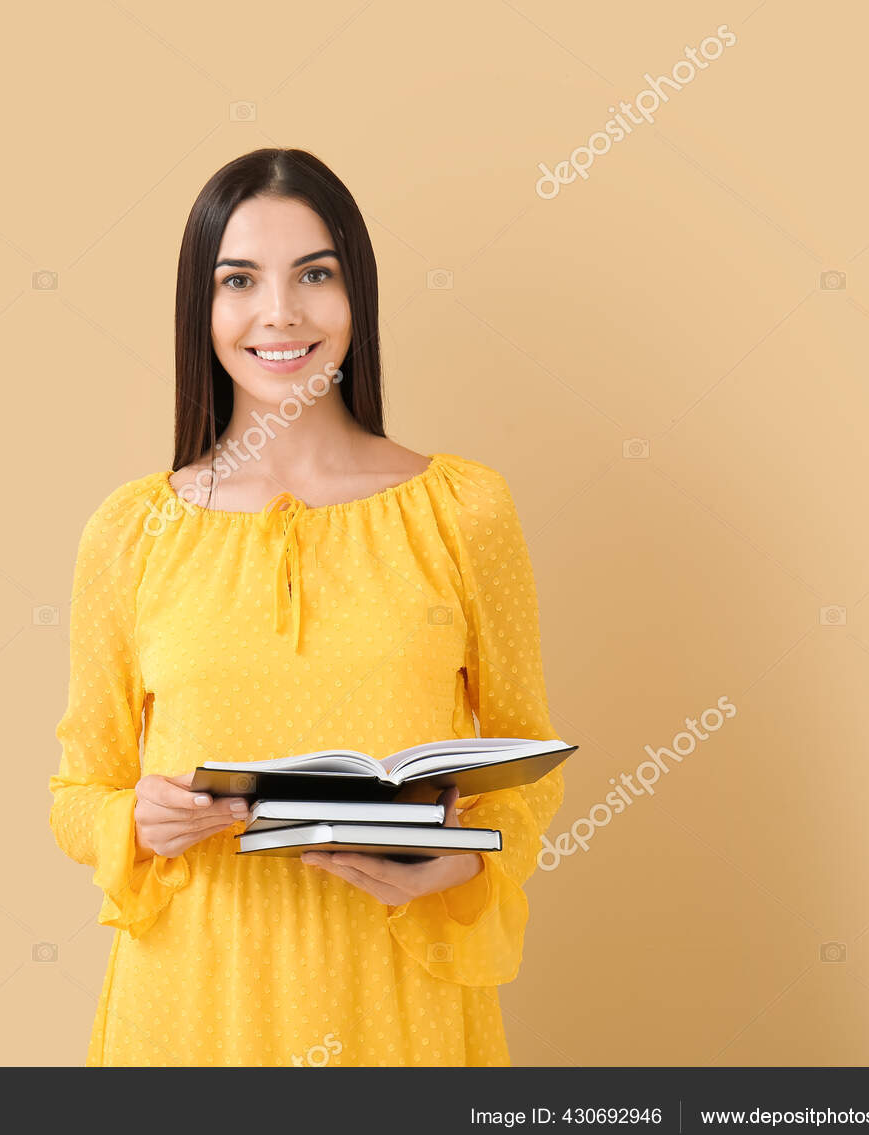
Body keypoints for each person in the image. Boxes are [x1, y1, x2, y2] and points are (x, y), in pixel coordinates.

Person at [47, 147, 566, 1066]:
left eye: (313, 275)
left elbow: (529, 765)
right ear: (200, 310)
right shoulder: (130, 532)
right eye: (238, 279)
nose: (279, 313)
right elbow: (77, 792)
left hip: (398, 996)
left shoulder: (464, 512)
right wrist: (134, 820)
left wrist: (473, 854)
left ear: (355, 294)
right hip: (191, 1003)